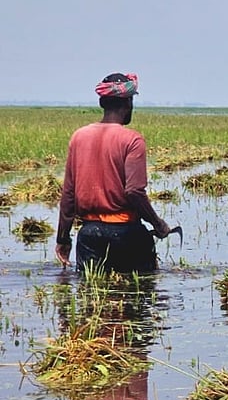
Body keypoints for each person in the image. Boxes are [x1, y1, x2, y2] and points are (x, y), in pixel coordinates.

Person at [55, 73, 175, 273]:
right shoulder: (132, 140)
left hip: (89, 234)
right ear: (128, 103)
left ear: (102, 102)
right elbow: (134, 191)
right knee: (140, 288)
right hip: (126, 233)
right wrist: (158, 224)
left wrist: (63, 239)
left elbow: (68, 194)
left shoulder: (79, 137)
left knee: (90, 290)